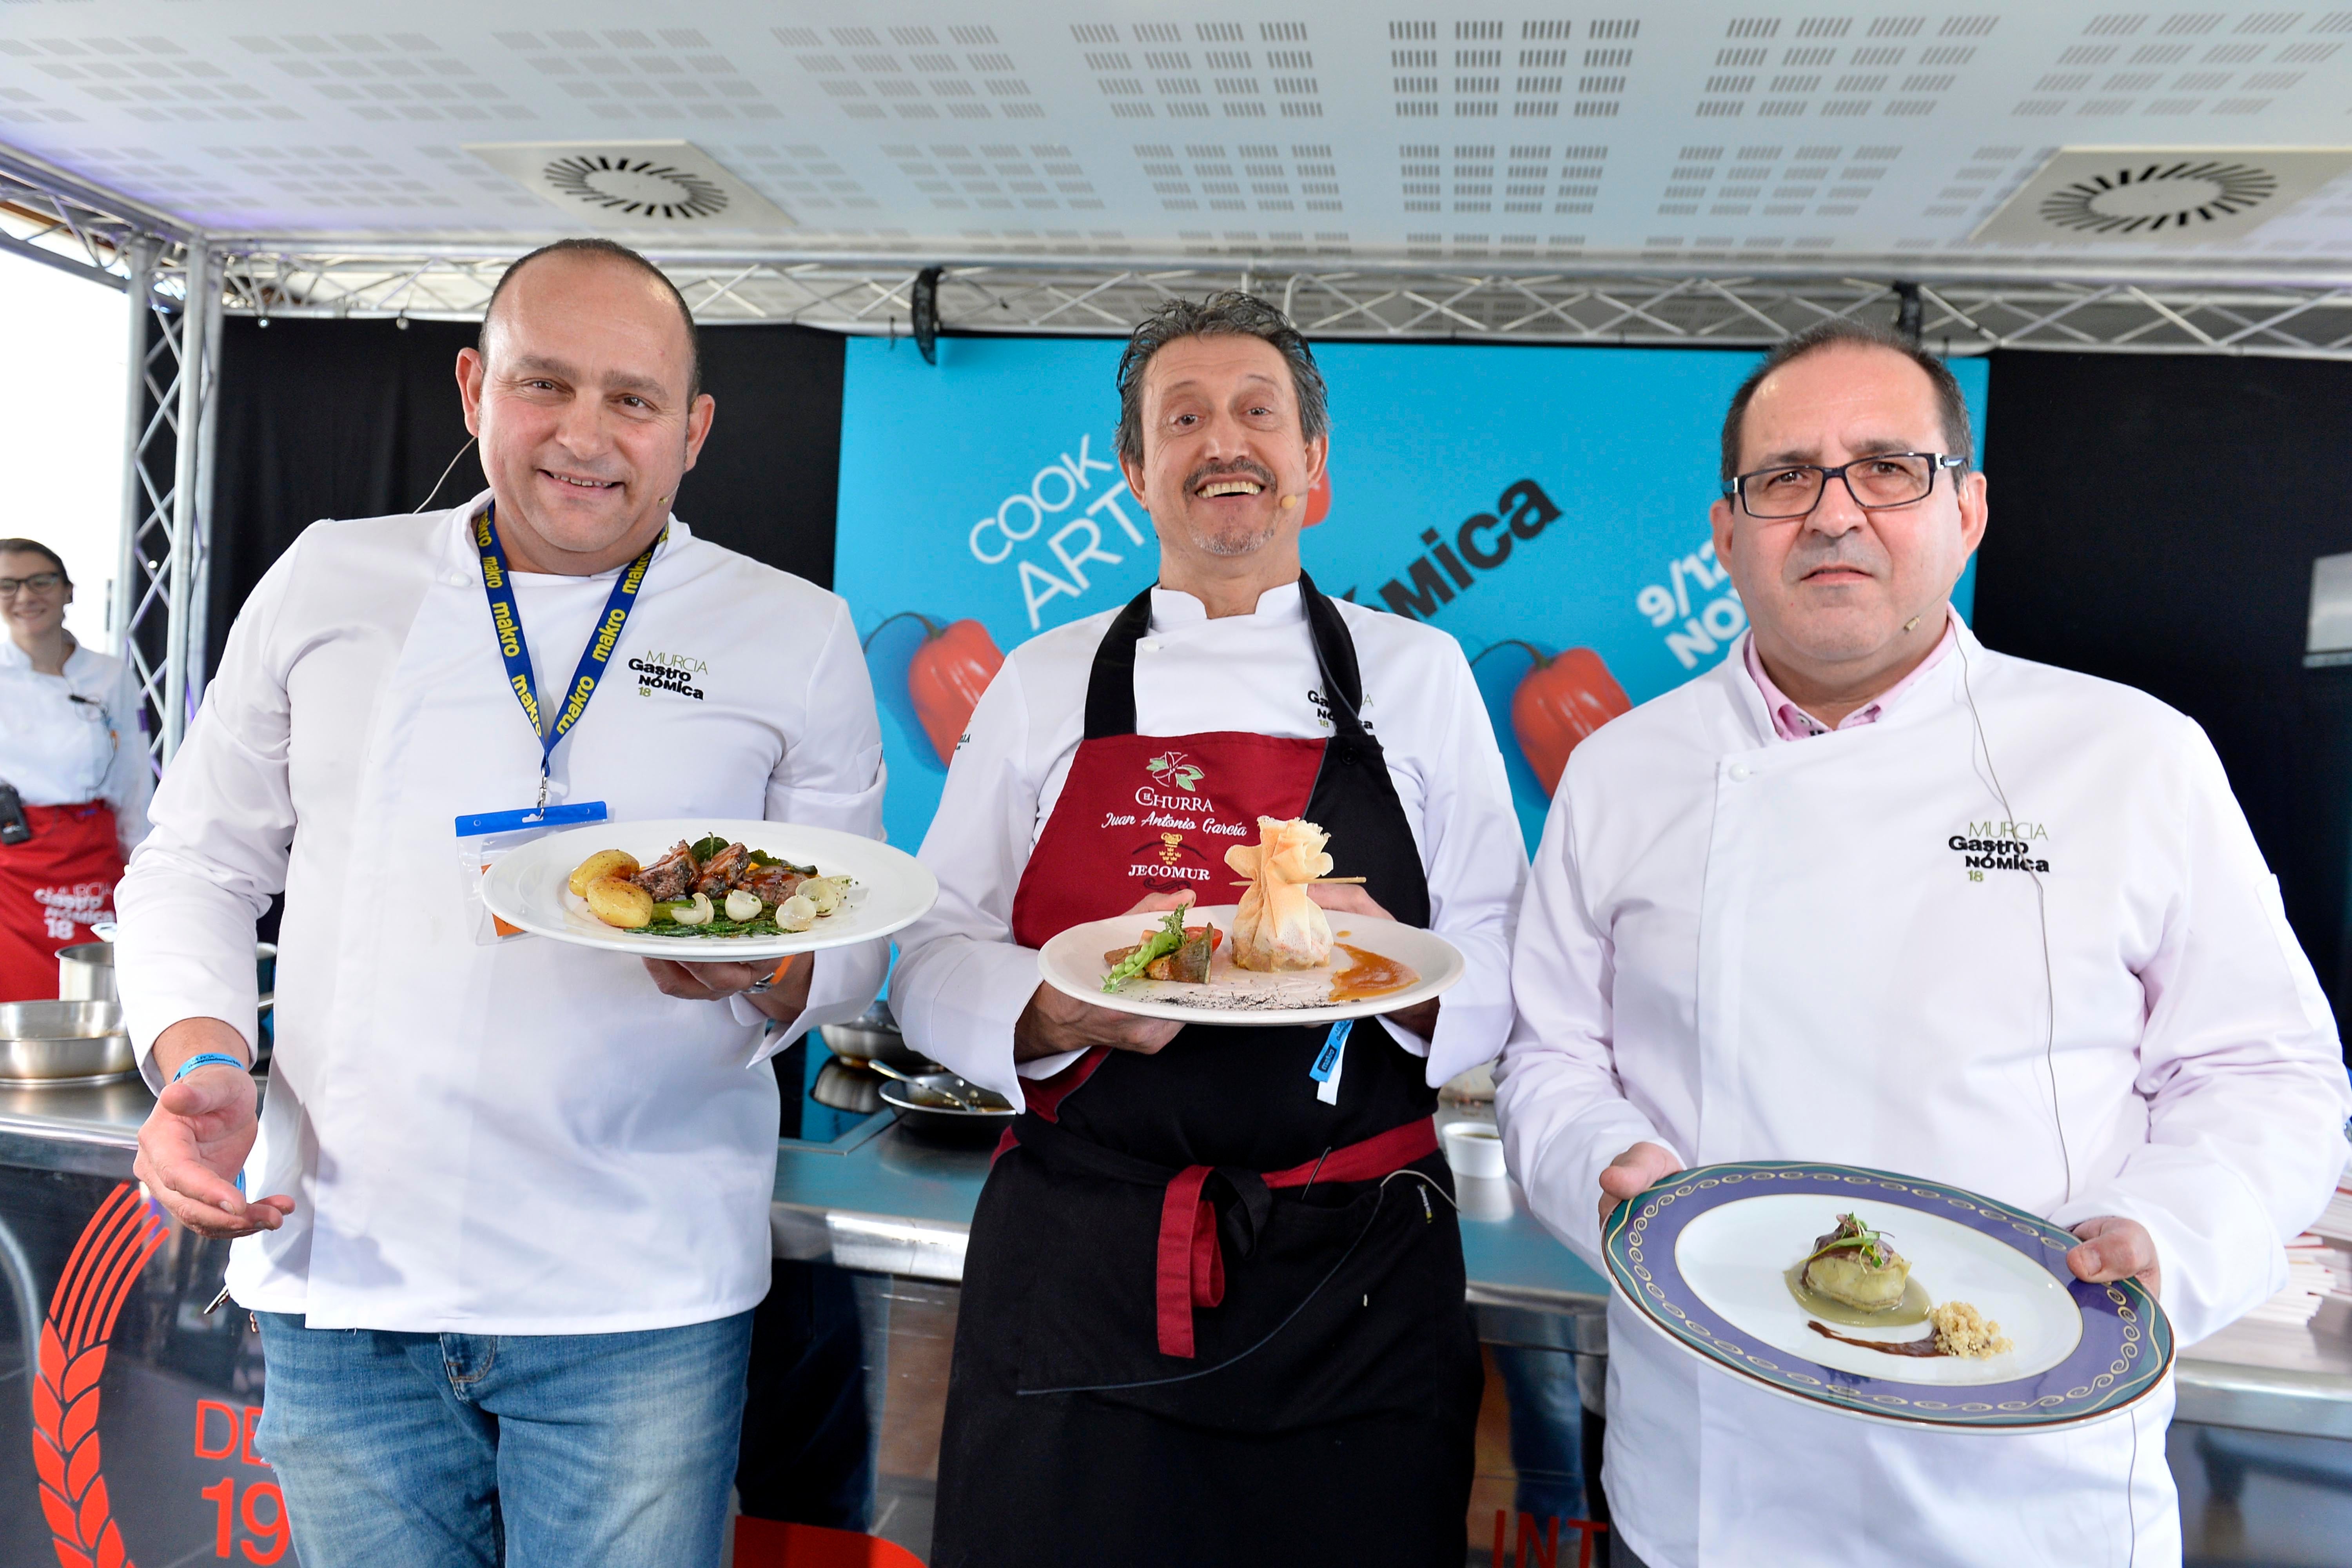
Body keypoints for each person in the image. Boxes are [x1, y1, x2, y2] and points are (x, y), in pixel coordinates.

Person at [1495, 317, 2352, 1566]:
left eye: (1886, 467)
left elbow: (2265, 1071)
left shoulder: (2128, 754)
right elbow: (1548, 1052)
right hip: (1711, 1486)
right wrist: (1595, 1161)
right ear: (1726, 531)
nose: (1833, 512)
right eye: (1783, 478)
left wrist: (2164, 1232)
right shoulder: (1623, 771)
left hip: (2027, 1482)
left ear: (1967, 510)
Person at [116, 237, 888, 1567]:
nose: (586, 436)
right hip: (344, 1269)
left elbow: (857, 936)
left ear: (694, 431)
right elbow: (196, 861)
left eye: (634, 401)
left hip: (638, 1299)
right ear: (474, 387)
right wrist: (201, 1057)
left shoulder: (792, 630)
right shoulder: (328, 579)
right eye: (546, 385)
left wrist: (761, 971)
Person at [891, 292, 1527, 1566]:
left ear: (1313, 464)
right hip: (1084, 1269)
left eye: (1257, 413)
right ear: (1135, 471)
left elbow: (1508, 944)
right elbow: (933, 951)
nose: (1222, 442)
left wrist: (1389, 973)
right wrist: (1056, 1011)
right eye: (1183, 418)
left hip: (1355, 1279)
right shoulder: (1045, 680)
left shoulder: (1418, 676)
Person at [0, 537, 150, 999]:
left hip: (92, 852)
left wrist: (144, 864)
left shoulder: (110, 675)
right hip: (13, 864)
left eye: (40, 581)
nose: (26, 596)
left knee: (93, 993)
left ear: (68, 591)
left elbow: (133, 775)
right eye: (8, 586)